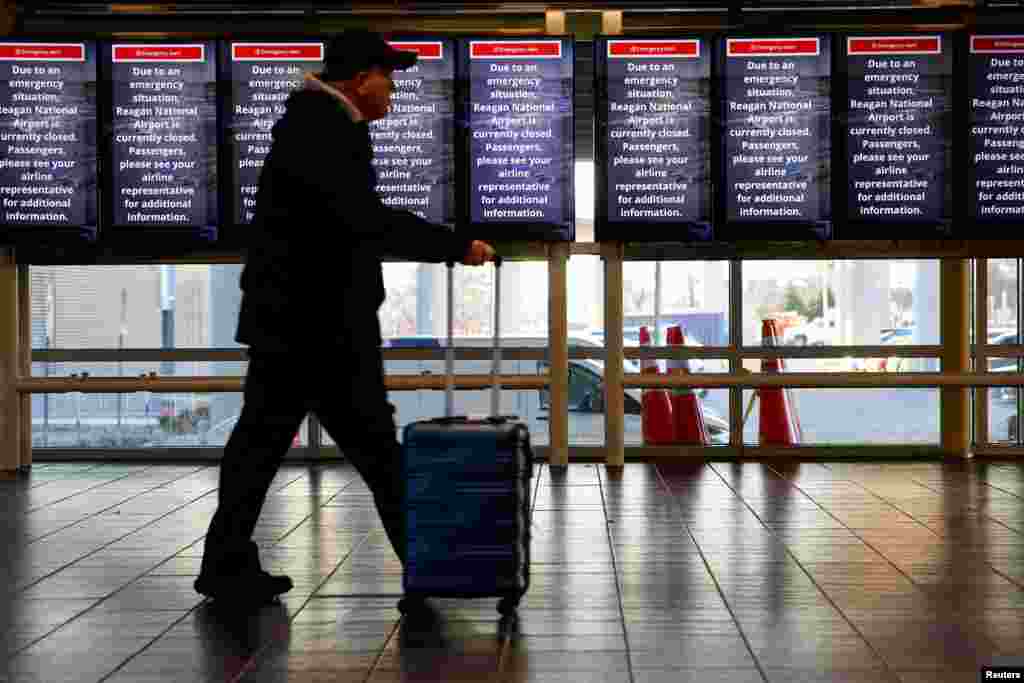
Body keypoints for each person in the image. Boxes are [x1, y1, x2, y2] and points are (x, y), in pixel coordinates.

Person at [194, 30, 495, 609]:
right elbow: (363, 220)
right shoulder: (325, 131)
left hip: (294, 321)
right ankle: (429, 566)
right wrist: (456, 245)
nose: (393, 91)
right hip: (320, 325)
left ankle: (226, 564)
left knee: (260, 448)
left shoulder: (314, 125)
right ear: (361, 78)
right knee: (376, 450)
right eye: (390, 77)